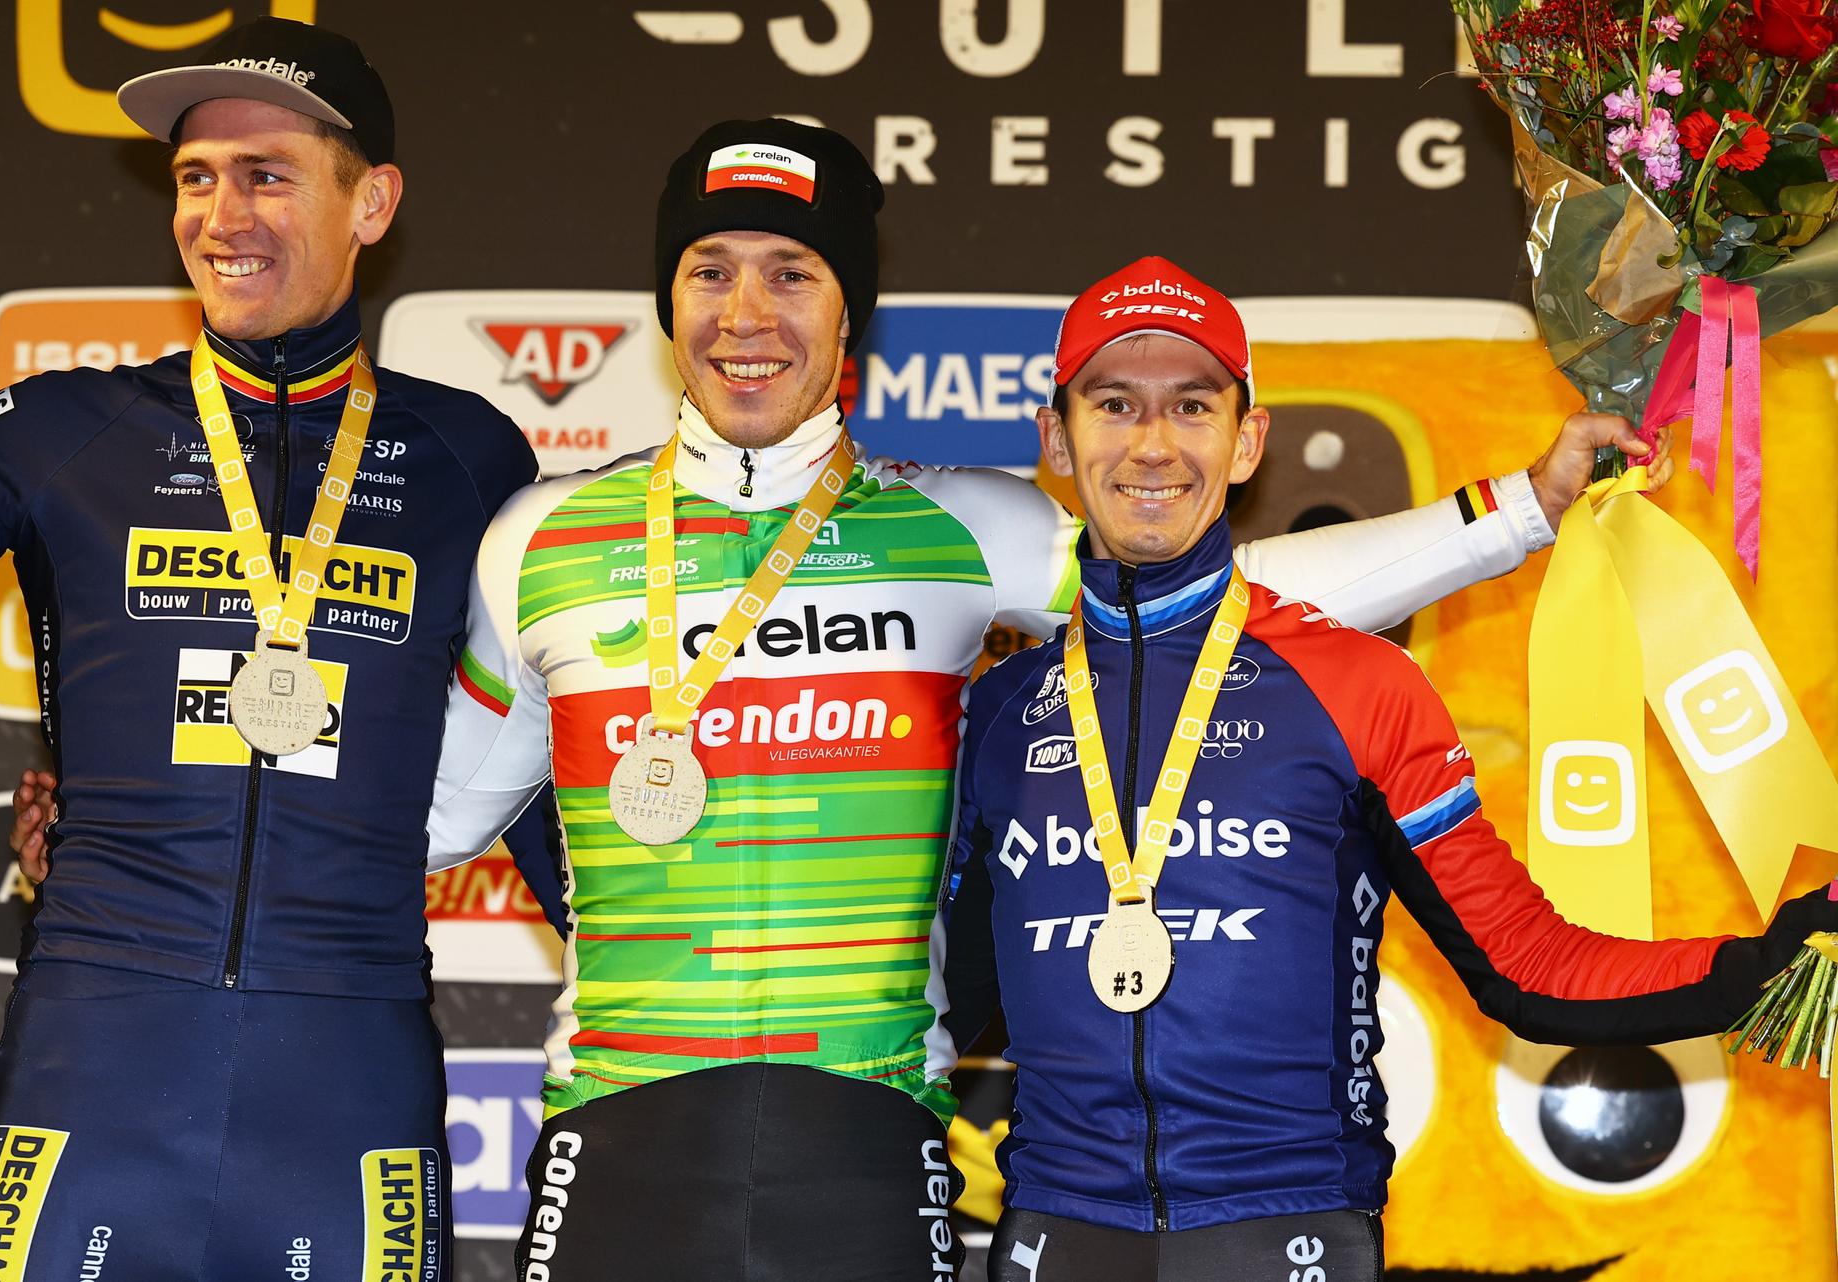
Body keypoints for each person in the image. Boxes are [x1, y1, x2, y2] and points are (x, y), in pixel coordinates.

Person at [421, 120, 1662, 1280]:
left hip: (864, 1139)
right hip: (616, 1134)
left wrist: (1518, 514)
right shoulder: (538, 540)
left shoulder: (967, 524)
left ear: (850, 304)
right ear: (666, 299)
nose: (748, 313)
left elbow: (1219, 598)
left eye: (792, 271)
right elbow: (431, 821)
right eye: (710, 269)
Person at [939, 256, 1838, 1280]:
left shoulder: (1357, 684)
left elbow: (1529, 967)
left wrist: (1778, 960)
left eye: (1193, 406)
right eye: (1114, 404)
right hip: (1053, 1233)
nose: (1152, 444)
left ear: (1247, 440)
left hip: (1285, 1231)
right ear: (1057, 438)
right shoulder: (996, 715)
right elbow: (936, 993)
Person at [0, 18, 539, 1279]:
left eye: (268, 175)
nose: (222, 214)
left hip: (347, 1069)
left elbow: (543, 755)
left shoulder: (472, 461)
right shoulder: (66, 430)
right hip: (98, 1054)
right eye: (196, 179)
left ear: (371, 202)